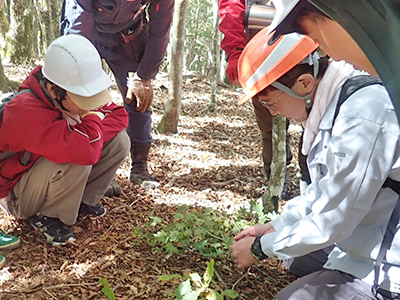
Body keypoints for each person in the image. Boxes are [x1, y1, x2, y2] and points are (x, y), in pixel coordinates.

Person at [231, 27, 400, 299]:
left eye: (271, 103)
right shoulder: (332, 106)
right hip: (364, 235)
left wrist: (260, 248)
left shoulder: (362, 117)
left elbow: (334, 219)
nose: (274, 112)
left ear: (305, 84)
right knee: (295, 260)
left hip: (387, 261)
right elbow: (322, 193)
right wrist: (277, 227)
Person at [0, 34, 130, 246]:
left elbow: (119, 115)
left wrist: (87, 129)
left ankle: (83, 202)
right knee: (75, 158)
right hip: (16, 194)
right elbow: (85, 151)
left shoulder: (69, 90)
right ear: (53, 89)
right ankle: (48, 216)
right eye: (82, 99)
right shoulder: (26, 110)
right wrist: (91, 122)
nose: (88, 105)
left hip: (37, 176)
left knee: (119, 142)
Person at [60, 0, 174, 191]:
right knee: (81, 97)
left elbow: (160, 29)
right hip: (90, 32)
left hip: (129, 38)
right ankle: (90, 168)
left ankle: (139, 167)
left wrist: (144, 75)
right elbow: (78, 22)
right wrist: (81, 70)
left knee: (138, 98)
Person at [218, 0, 295, 185]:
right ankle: (276, 181)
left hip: (306, 44)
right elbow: (231, 9)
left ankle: (309, 181)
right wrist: (236, 54)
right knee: (270, 121)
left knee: (317, 120)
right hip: (261, 55)